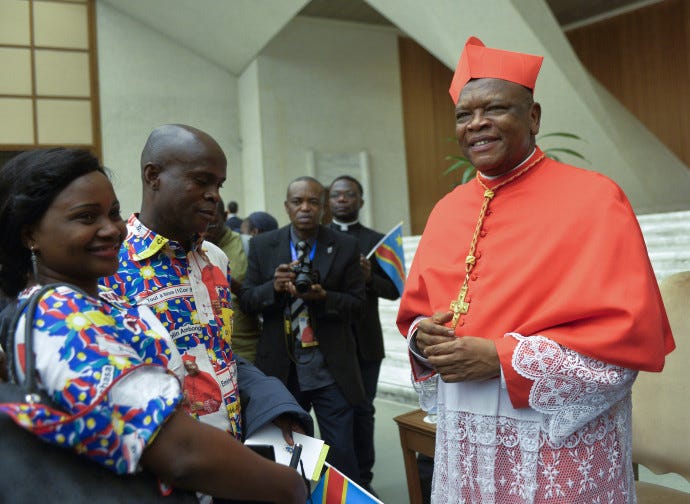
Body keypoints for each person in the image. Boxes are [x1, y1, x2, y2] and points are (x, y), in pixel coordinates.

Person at [396, 36, 674, 504]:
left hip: (553, 443)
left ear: (534, 117)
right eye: (465, 115)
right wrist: (424, 341)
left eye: (495, 109)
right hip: (465, 430)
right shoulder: (446, 210)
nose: (477, 124)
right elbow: (417, 316)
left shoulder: (594, 199)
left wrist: (502, 360)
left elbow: (625, 341)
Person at [0, 148, 307, 503]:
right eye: (86, 217)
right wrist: (291, 487)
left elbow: (215, 356)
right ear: (30, 236)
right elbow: (181, 452)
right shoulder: (61, 314)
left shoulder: (104, 298)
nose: (112, 229)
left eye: (113, 212)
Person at [100, 125, 312, 451]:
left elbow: (219, 355)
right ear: (153, 175)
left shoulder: (215, 259)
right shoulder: (110, 265)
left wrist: (271, 407)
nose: (215, 195)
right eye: (201, 181)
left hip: (231, 456)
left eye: (219, 184)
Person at [239, 176, 366, 482]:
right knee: (288, 452)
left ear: (324, 208)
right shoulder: (262, 245)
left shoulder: (346, 245)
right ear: (287, 206)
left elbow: (358, 305)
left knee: (341, 452)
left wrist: (324, 298)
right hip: (283, 371)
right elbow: (246, 300)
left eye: (313, 201)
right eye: (298, 202)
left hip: (330, 369)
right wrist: (274, 287)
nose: (305, 208)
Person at [328, 175, 400, 493]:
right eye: (336, 195)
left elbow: (394, 291)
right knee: (334, 412)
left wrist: (370, 278)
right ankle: (339, 477)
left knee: (364, 410)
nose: (342, 199)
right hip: (328, 341)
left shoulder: (377, 241)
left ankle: (364, 479)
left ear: (361, 200)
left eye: (349, 194)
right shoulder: (318, 237)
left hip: (366, 342)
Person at [206, 199, 261, 362]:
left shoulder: (248, 246)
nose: (205, 228)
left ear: (224, 216)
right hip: (209, 356)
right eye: (201, 222)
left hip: (246, 350)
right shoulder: (190, 249)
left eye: (212, 224)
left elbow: (261, 296)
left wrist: (231, 283)